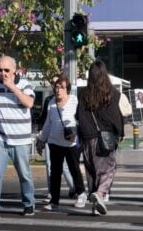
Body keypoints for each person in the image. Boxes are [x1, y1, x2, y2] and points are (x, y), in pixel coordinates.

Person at [0, 55, 36, 220]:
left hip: (20, 139)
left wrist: (12, 87)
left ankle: (28, 203)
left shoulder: (25, 84)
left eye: (6, 70)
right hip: (0, 138)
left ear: (15, 70)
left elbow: (29, 103)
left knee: (24, 174)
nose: (2, 73)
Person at [75, 60, 124, 216]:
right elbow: (116, 117)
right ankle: (100, 194)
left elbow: (79, 117)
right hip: (105, 138)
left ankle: (95, 204)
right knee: (108, 169)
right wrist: (120, 132)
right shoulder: (112, 93)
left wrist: (83, 136)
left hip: (87, 138)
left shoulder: (83, 94)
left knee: (92, 172)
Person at [36, 75, 87, 210]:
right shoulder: (51, 103)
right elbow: (48, 123)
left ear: (67, 90)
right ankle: (54, 201)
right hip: (54, 142)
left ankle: (81, 194)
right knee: (55, 172)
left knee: (74, 169)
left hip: (70, 143)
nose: (58, 90)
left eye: (62, 88)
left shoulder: (74, 101)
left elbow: (80, 121)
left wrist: (75, 133)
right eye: (56, 87)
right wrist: (41, 140)